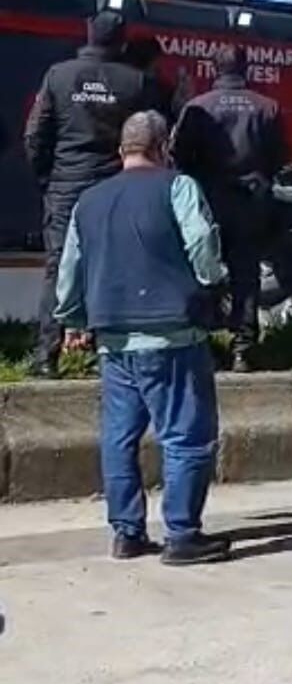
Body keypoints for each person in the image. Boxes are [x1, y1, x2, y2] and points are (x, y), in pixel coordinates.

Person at [54, 111, 231, 565]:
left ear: (121, 151)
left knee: (119, 436)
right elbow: (201, 245)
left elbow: (70, 268)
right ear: (162, 147)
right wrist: (214, 282)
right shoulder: (178, 185)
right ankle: (182, 536)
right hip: (171, 333)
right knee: (186, 436)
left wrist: (74, 320)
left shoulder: (88, 201)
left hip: (113, 339)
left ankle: (127, 532)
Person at [23, 11, 158, 378]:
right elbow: (152, 136)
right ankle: (108, 357)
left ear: (87, 35)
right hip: (114, 187)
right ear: (122, 42)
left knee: (57, 269)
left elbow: (35, 135)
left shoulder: (58, 75)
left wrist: (47, 179)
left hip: (66, 184)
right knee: (111, 267)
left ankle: (44, 359)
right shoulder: (137, 82)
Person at [171, 44, 289, 371]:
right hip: (251, 202)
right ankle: (243, 350)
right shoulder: (267, 107)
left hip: (208, 201)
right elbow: (281, 158)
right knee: (246, 276)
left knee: (201, 272)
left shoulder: (198, 107)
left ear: (214, 69)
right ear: (246, 68)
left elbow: (179, 157)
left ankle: (204, 346)